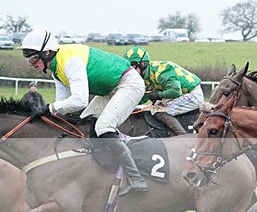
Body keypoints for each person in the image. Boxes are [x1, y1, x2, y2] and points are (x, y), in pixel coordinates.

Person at [19, 29, 148, 194]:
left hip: (129, 85)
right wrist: (44, 114)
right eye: (28, 59)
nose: (31, 63)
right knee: (84, 123)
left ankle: (137, 179)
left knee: (103, 127)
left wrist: (48, 108)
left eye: (33, 58)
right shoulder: (56, 71)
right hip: (111, 90)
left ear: (46, 52)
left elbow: (79, 101)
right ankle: (103, 168)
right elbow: (62, 106)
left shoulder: (70, 62)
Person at [123, 46, 203, 135]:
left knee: (159, 111)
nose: (131, 72)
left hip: (193, 94)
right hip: (182, 94)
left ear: (142, 64)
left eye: (132, 67)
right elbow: (143, 97)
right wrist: (127, 105)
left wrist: (158, 95)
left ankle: (183, 136)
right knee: (156, 107)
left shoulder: (161, 71)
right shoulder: (145, 75)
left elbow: (175, 91)